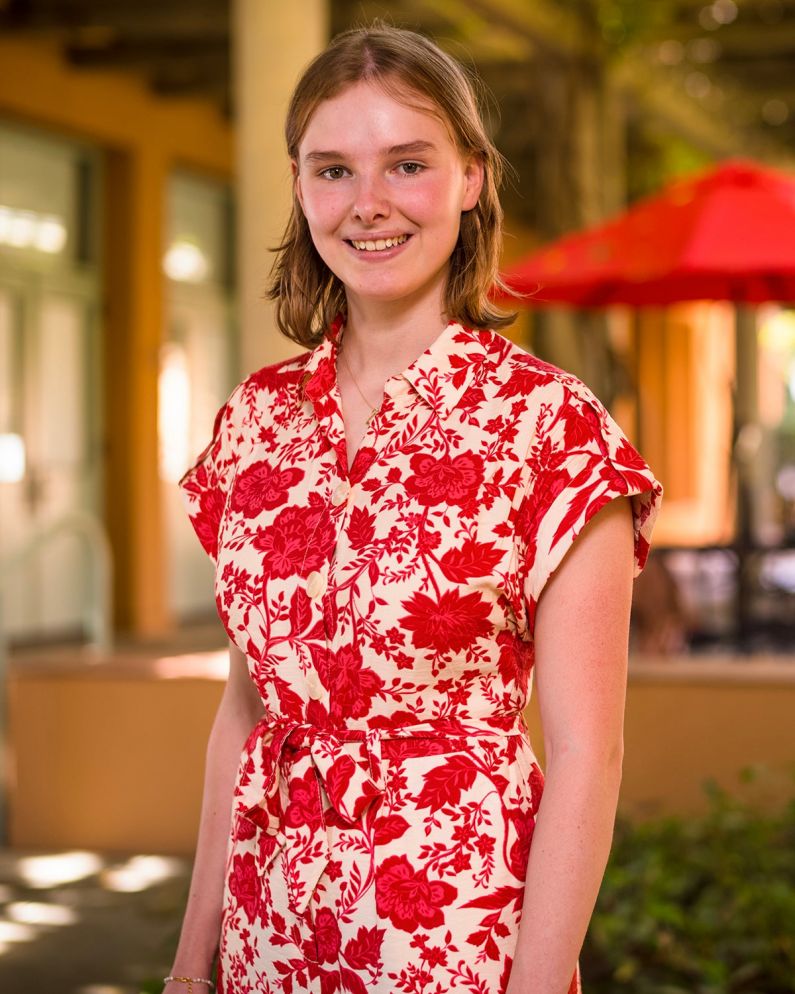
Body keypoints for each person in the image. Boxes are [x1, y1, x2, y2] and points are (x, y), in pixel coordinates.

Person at [166, 22, 662, 994]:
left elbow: (586, 751)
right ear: (301, 185)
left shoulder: (551, 430)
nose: (369, 204)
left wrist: (537, 981)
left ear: (472, 176)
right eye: (334, 169)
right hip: (268, 943)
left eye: (408, 163)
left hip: (457, 944)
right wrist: (193, 963)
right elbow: (244, 715)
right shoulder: (254, 423)